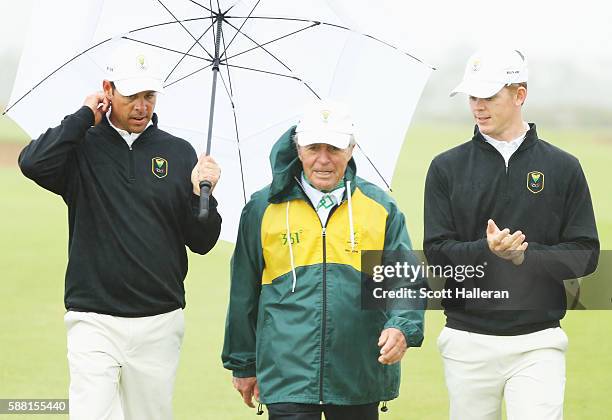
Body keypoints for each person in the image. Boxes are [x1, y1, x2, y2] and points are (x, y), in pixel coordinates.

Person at [18, 42, 222, 420]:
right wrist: (83, 116)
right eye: (131, 96)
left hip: (159, 319)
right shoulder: (81, 146)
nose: (142, 106)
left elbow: (203, 242)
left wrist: (200, 194)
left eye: (149, 95)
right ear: (108, 90)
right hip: (93, 317)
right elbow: (32, 163)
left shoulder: (178, 152)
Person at [423, 48, 599, 420]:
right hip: (467, 340)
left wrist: (525, 255)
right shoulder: (445, 167)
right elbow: (436, 251)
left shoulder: (564, 167)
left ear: (520, 95)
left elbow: (586, 252)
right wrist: (486, 249)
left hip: (539, 341)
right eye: (473, 97)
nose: (478, 106)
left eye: (488, 96)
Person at [221, 99, 425, 419]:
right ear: (298, 148)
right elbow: (243, 291)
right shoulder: (263, 207)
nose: (323, 160)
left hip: (358, 374)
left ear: (352, 149)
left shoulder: (380, 206)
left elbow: (406, 278)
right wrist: (242, 364)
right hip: (286, 375)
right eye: (314, 147)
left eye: (334, 148)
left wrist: (402, 326)